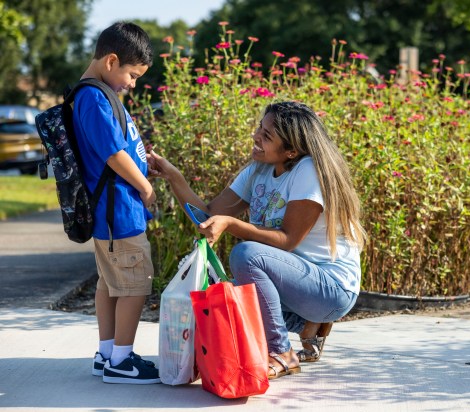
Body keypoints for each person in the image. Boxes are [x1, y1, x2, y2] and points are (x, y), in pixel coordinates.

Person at [148, 101, 366, 379]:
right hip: (298, 284)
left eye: (267, 136)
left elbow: (286, 240)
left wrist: (231, 225)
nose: (256, 137)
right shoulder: (259, 170)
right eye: (259, 129)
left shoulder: (307, 171)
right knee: (228, 293)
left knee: (246, 256)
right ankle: (307, 324)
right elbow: (209, 216)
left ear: (291, 150)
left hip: (331, 289)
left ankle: (282, 352)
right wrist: (173, 177)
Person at [74, 22, 160, 384]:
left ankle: (107, 352)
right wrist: (144, 187)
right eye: (132, 74)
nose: (133, 84)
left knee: (110, 285)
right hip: (119, 211)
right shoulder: (93, 97)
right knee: (136, 284)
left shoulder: (93, 94)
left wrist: (143, 164)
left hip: (111, 212)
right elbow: (112, 154)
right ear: (111, 61)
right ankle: (122, 361)